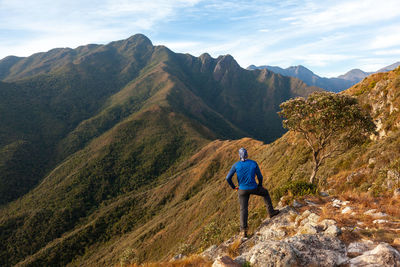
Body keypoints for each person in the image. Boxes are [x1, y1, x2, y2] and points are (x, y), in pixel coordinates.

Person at [226, 147, 279, 238]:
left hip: (242, 190)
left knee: (243, 209)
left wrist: (234, 187)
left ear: (239, 156)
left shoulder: (236, 165)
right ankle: (271, 212)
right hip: (254, 187)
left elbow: (228, 178)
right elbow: (260, 176)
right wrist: (260, 185)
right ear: (247, 154)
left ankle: (243, 231)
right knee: (265, 193)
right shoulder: (253, 163)